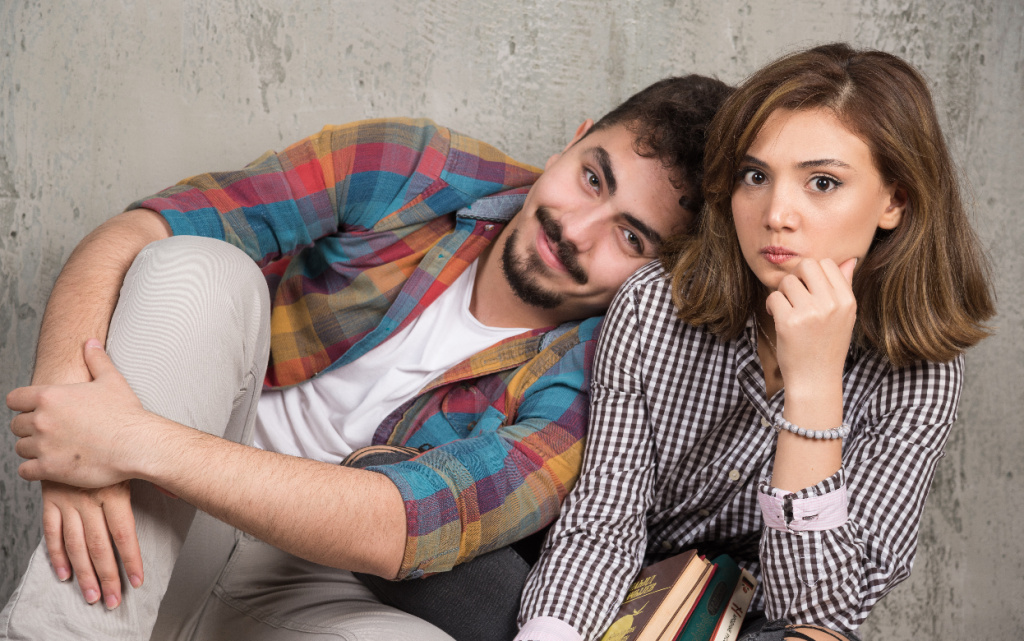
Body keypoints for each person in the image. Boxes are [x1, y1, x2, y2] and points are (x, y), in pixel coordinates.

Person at [1, 75, 733, 641]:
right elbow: (136, 232)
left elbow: (402, 525)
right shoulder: (418, 169)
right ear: (570, 142)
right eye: (592, 177)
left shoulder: (600, 379)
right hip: (158, 523)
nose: (577, 228)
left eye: (631, 238)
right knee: (194, 267)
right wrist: (73, 439)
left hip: (303, 586)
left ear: (658, 279)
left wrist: (129, 441)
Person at [515, 43, 995, 641]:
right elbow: (603, 525)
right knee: (465, 578)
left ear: (894, 199)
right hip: (593, 591)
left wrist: (814, 387)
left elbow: (820, 611)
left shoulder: (920, 372)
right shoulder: (656, 305)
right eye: (756, 176)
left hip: (742, 620)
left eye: (822, 182)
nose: (776, 214)